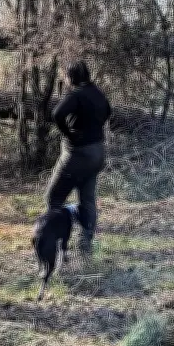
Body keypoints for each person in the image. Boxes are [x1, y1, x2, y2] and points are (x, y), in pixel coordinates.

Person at [45, 61, 111, 257]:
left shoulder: (76, 95)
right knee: (87, 201)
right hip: (97, 153)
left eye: (66, 76)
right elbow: (108, 112)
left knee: (53, 198)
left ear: (71, 77)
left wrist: (69, 134)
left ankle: (58, 246)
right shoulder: (97, 93)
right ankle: (85, 245)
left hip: (77, 154)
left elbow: (57, 114)